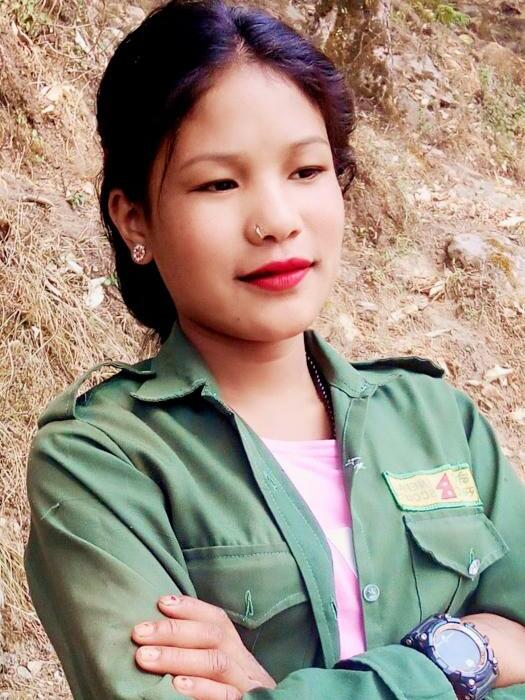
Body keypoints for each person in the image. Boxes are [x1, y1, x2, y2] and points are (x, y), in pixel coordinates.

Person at [23, 1, 525, 699]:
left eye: (305, 171)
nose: (277, 221)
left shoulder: (438, 420)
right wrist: (465, 655)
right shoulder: (103, 460)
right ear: (135, 217)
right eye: (219, 183)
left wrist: (274, 690)